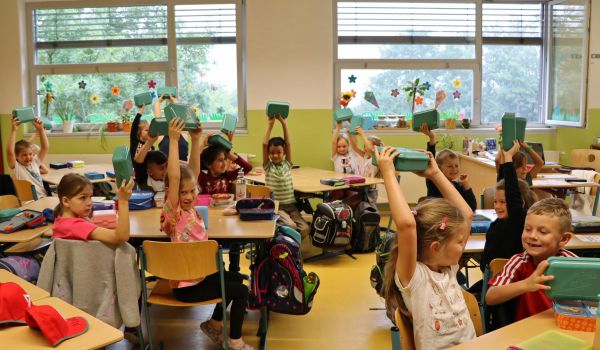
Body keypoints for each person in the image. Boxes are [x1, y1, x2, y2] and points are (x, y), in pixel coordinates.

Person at [161, 118, 254, 350]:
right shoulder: (174, 214)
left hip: (200, 275)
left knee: (239, 279)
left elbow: (190, 172)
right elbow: (175, 177)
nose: (190, 196)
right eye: (183, 192)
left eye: (193, 191)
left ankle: (213, 323)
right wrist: (173, 140)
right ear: (172, 194)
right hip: (187, 286)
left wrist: (194, 140)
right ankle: (235, 341)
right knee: (240, 290)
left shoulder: (191, 209)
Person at [377, 147, 475, 350]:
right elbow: (406, 225)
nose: (463, 244)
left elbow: (466, 215)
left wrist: (435, 174)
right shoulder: (415, 277)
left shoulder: (449, 268)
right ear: (436, 247)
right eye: (458, 241)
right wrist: (388, 173)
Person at [486, 198, 577, 322]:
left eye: (543, 232)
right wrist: (526, 284)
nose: (532, 236)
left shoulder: (573, 264)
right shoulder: (519, 262)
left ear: (563, 239)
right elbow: (490, 297)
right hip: (526, 332)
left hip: (564, 326)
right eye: (527, 229)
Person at [198, 131, 252, 273]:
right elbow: (195, 163)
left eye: (224, 159)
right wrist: (202, 145)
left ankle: (234, 269)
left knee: (235, 240)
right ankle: (218, 267)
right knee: (212, 243)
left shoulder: (228, 175)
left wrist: (230, 154)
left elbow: (247, 168)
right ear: (209, 164)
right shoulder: (202, 178)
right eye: (220, 160)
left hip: (227, 217)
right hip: (210, 220)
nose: (225, 163)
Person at [481, 141, 539, 272]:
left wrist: (508, 159)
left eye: (503, 202)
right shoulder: (501, 221)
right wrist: (503, 156)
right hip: (491, 279)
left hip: (503, 282)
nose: (497, 206)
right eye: (496, 202)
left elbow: (512, 192)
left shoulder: (518, 220)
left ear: (520, 203)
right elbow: (505, 185)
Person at [52, 173, 135, 244]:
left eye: (90, 197)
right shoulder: (75, 226)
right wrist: (123, 201)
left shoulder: (61, 221)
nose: (89, 203)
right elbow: (121, 237)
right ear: (66, 201)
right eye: (83, 198)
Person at [263, 115, 309, 238]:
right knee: (291, 226)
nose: (275, 155)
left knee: (305, 229)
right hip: (277, 206)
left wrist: (284, 123)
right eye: (272, 153)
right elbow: (264, 144)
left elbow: (288, 144)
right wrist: (270, 125)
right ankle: (281, 239)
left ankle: (292, 247)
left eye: (279, 152)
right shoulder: (268, 167)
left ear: (284, 153)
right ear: (268, 153)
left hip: (291, 206)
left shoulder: (287, 164)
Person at [421, 124, 477, 211]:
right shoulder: (434, 182)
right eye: (450, 166)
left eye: (456, 166)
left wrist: (466, 185)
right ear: (439, 168)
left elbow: (472, 207)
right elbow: (430, 161)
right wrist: (432, 138)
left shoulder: (458, 186)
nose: (454, 169)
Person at [7, 117, 50, 199]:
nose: (28, 157)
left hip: (43, 198)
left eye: (30, 154)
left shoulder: (35, 162)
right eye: (24, 155)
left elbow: (45, 147)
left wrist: (41, 129)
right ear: (16, 157)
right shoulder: (16, 167)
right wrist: (14, 130)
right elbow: (9, 152)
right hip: (29, 203)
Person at [153, 94, 189, 161]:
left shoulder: (183, 133)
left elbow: (180, 115)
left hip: (183, 169)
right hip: (166, 169)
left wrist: (174, 100)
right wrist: (158, 102)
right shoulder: (162, 136)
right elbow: (158, 117)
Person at [129, 104, 153, 188]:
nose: (149, 132)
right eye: (146, 130)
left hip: (148, 175)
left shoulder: (151, 145)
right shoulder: (135, 141)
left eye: (150, 130)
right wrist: (140, 112)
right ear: (139, 132)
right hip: (136, 174)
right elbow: (134, 126)